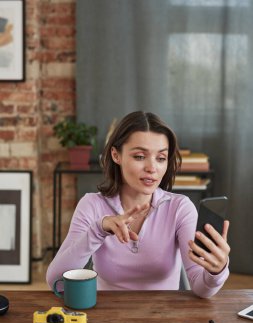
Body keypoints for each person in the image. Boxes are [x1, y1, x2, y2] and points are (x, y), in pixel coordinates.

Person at [46, 111, 230, 298]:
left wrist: (216, 271)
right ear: (116, 155)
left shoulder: (180, 208)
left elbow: (201, 289)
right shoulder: (92, 205)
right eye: (140, 156)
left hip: (163, 320)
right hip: (106, 320)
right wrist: (99, 230)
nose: (152, 168)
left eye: (161, 158)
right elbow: (56, 282)